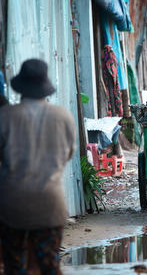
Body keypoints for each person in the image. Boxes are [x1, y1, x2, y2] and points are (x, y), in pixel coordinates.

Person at [0, 59, 76, 274]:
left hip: (11, 206)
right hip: (50, 204)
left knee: (14, 267)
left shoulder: (5, 116)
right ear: (45, 86)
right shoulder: (63, 116)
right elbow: (68, 154)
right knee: (50, 266)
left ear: (21, 86)